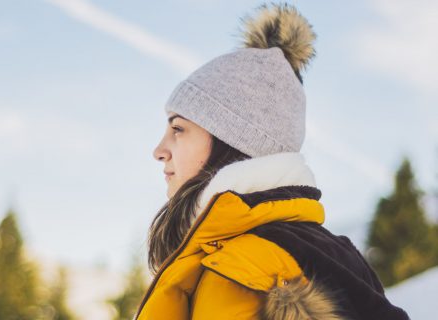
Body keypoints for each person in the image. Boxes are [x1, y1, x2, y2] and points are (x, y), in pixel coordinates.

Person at [134, 3, 410, 320]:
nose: (159, 149)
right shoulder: (233, 254)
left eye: (178, 129)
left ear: (235, 139)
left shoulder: (264, 268)